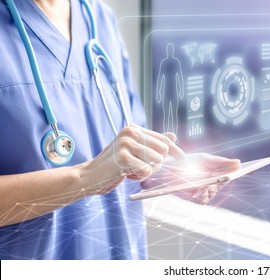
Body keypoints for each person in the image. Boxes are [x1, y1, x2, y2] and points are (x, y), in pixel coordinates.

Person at [0, 0, 240, 260]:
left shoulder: (99, 18)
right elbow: (95, 171)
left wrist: (165, 172)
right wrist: (85, 178)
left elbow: (124, 151)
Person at [156, 43, 184, 136]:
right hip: (166, 92)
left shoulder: (176, 62)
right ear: (167, 51)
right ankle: (166, 136)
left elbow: (179, 76)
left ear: (172, 51)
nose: (169, 51)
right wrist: (159, 93)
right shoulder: (164, 63)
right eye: (169, 49)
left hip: (174, 91)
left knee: (174, 115)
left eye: (171, 49)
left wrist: (181, 91)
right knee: (166, 115)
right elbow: (160, 78)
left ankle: (174, 136)